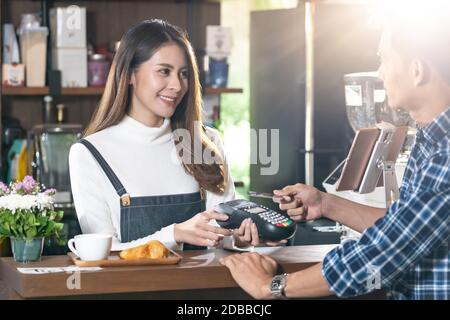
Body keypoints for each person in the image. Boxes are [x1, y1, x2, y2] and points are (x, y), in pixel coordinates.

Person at [220, 2, 450, 299]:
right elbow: (404, 224)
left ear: (416, 70)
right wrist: (326, 204)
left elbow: (380, 254)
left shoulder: (445, 154)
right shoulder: (430, 140)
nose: (380, 73)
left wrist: (271, 287)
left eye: (384, 60)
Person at [69, 19, 260, 251]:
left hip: (204, 286)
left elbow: (223, 234)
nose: (177, 86)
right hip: (130, 288)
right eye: (164, 71)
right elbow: (104, 251)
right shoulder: (90, 153)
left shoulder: (206, 142)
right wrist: (175, 234)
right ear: (129, 74)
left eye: (183, 74)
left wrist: (239, 237)